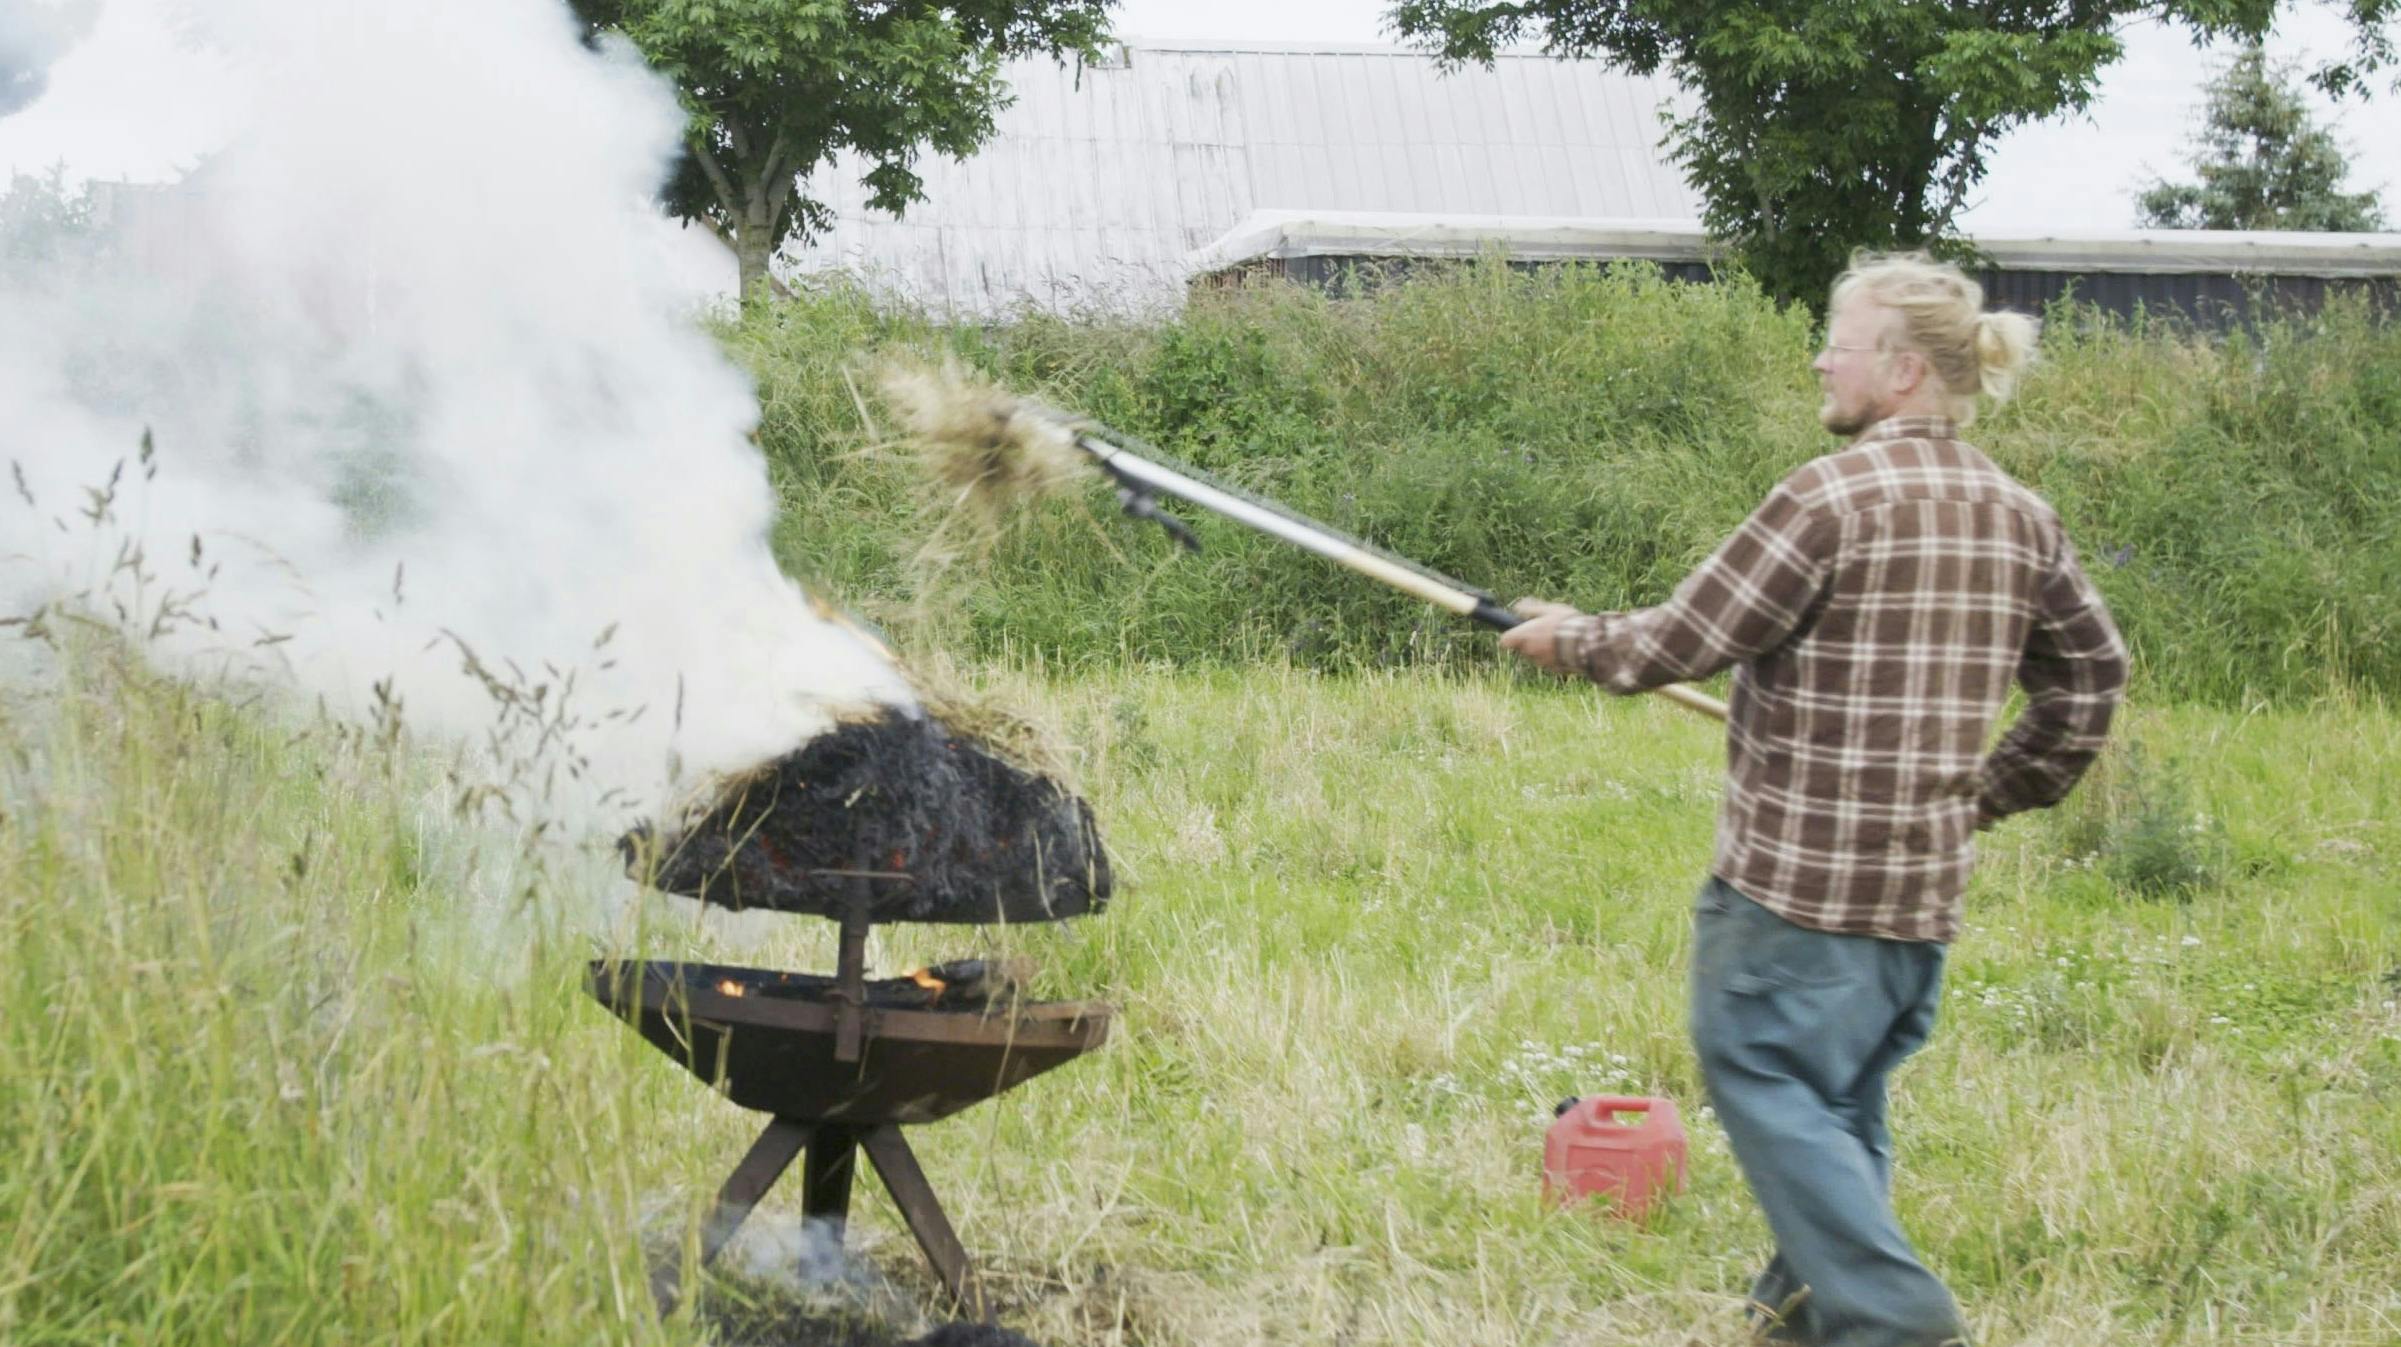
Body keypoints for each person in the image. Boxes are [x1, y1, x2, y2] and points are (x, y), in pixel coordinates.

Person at [1500, 251, 2128, 1347]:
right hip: (1917, 900)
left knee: (1758, 1068)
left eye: (1834, 340)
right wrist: (1987, 794)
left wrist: (1570, 641)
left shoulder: (1829, 497)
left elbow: (1682, 639)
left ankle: (1894, 1321)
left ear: (1896, 371)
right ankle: (1795, 1320)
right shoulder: (2017, 514)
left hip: (1792, 896)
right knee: (1838, 1110)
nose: (1817, 358)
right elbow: (2091, 679)